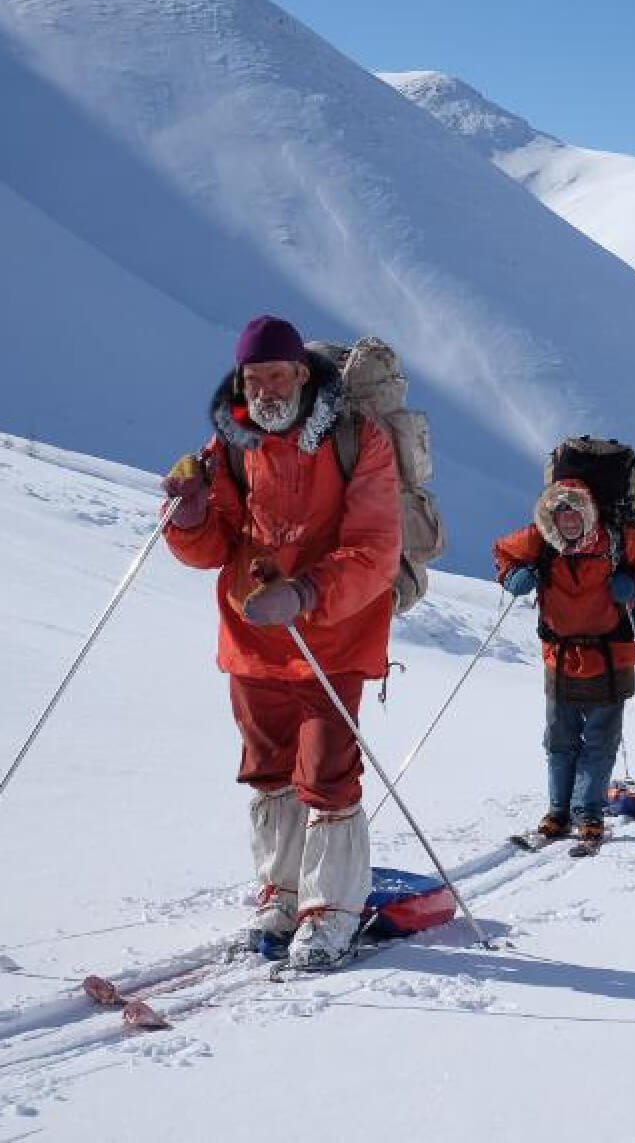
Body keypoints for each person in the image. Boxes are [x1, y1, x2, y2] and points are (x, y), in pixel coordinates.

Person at [160, 315, 401, 969]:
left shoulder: (358, 439)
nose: (266, 387)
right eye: (254, 376)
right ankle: (284, 892)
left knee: (326, 772)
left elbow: (377, 547)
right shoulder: (232, 443)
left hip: (335, 631)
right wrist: (189, 516)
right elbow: (219, 545)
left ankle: (332, 911)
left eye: (277, 373)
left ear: (301, 372)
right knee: (270, 772)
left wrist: (307, 591)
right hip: (255, 631)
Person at [494, 478, 635, 848]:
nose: (568, 520)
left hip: (611, 654)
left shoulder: (617, 537)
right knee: (559, 739)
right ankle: (559, 812)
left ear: (587, 510)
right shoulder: (540, 539)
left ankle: (588, 813)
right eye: (560, 513)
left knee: (600, 742)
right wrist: (512, 576)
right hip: (560, 656)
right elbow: (503, 552)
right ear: (550, 516)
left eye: (574, 511)